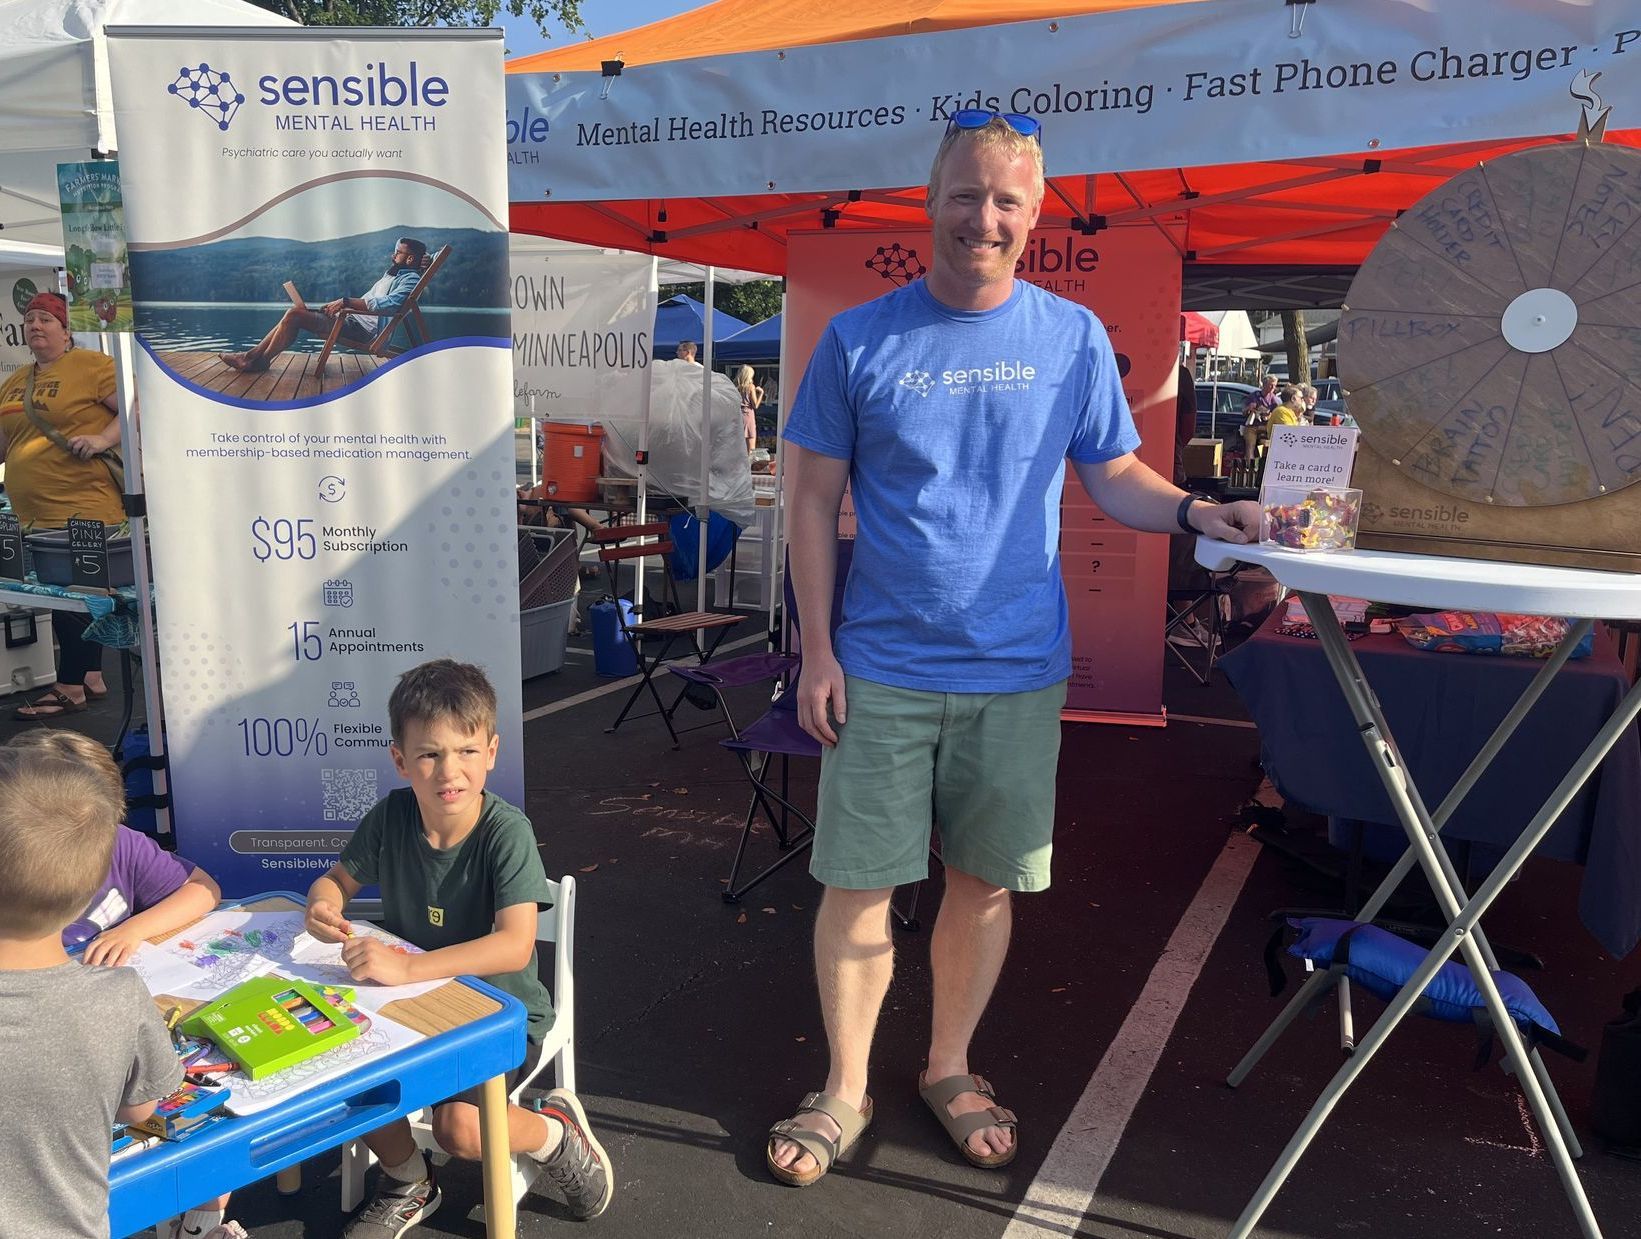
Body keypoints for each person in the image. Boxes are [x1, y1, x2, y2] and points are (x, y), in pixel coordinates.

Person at [769, 111, 1258, 1187]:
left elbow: (1117, 475)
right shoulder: (860, 338)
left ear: (1034, 217)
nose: (983, 217)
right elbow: (810, 498)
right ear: (930, 199)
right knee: (857, 887)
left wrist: (1198, 514)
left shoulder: (1071, 336)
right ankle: (844, 1088)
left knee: (983, 884)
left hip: (1016, 670)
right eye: (965, 193)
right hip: (883, 665)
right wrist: (815, 650)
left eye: (1007, 201)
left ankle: (948, 1066)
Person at [306, 659, 613, 1236]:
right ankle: (408, 1180)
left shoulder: (506, 831)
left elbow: (515, 946)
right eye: (430, 754)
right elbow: (334, 882)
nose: (450, 770)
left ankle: (554, 1136)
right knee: (333, 1069)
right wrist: (323, 904)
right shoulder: (390, 817)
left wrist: (408, 967)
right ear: (401, 760)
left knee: (460, 1131)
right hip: (411, 1007)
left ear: (491, 751)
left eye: (467, 751)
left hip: (499, 1011)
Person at [5, 731, 243, 1237]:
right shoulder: (117, 996)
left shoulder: (123, 854)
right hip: (78, 1208)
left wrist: (132, 929)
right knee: (207, 1116)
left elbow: (202, 891)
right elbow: (141, 1108)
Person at [0, 291, 123, 720]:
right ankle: (91, 674)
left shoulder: (93, 366)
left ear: (66, 330)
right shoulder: (16, 381)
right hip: (35, 510)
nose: (35, 325)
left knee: (78, 592)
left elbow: (135, 407)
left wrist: (104, 439)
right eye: (30, 319)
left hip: (84, 502)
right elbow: (7, 442)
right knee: (66, 592)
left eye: (45, 319)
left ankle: (69, 686)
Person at [220, 237, 428, 373]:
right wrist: (337, 308)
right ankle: (255, 358)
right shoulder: (392, 275)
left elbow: (391, 304)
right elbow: (370, 302)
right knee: (297, 313)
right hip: (348, 319)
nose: (393, 255)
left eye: (398, 252)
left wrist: (345, 302)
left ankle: (252, 359)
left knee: (294, 315)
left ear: (410, 259)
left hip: (359, 330)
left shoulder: (408, 279)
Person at [1240, 373, 1277, 461]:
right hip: (1253, 426)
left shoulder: (1275, 399)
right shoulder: (1254, 396)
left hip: (1267, 426)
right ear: (1264, 385)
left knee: (1269, 444)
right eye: (1271, 385)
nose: (1273, 388)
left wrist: (1269, 415)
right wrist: (1249, 408)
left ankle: (1266, 463)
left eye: (1275, 385)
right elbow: (1244, 412)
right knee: (1250, 444)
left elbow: (1277, 414)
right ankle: (1250, 465)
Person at [735, 364, 763, 454]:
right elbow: (755, 405)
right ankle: (749, 466)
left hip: (738, 415)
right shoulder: (750, 387)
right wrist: (761, 393)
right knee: (751, 449)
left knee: (738, 446)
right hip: (748, 416)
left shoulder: (735, 386)